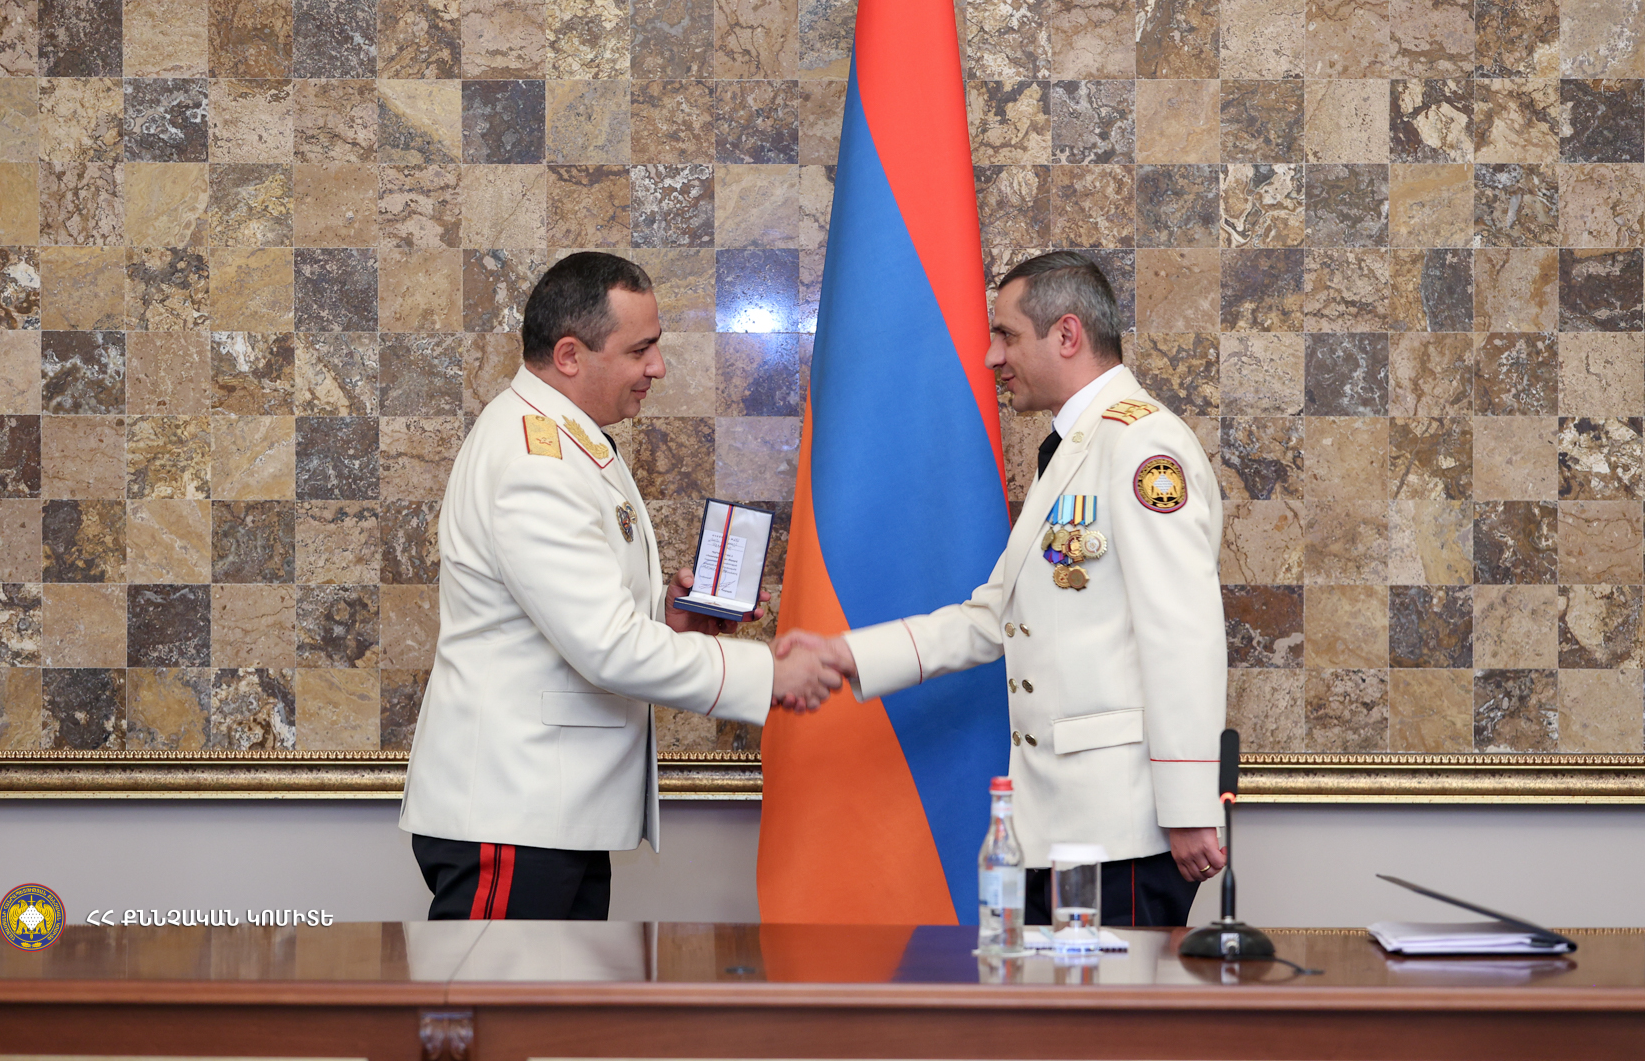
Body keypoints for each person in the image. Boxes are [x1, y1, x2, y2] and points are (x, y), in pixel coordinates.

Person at [782, 251, 1226, 927]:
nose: (992, 357)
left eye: (1007, 335)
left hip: (1125, 828)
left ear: (1067, 334)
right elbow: (994, 617)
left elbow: (1183, 633)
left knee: (1118, 999)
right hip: (1062, 825)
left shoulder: (1142, 448)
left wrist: (1190, 806)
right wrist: (845, 654)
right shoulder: (1075, 448)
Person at [400, 252, 841, 921]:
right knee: (496, 992)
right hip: (513, 812)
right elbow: (605, 646)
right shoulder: (534, 461)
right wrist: (769, 675)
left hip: (549, 810)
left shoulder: (569, 441)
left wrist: (669, 617)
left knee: (557, 995)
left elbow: (575, 616)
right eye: (641, 349)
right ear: (570, 356)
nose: (657, 367)